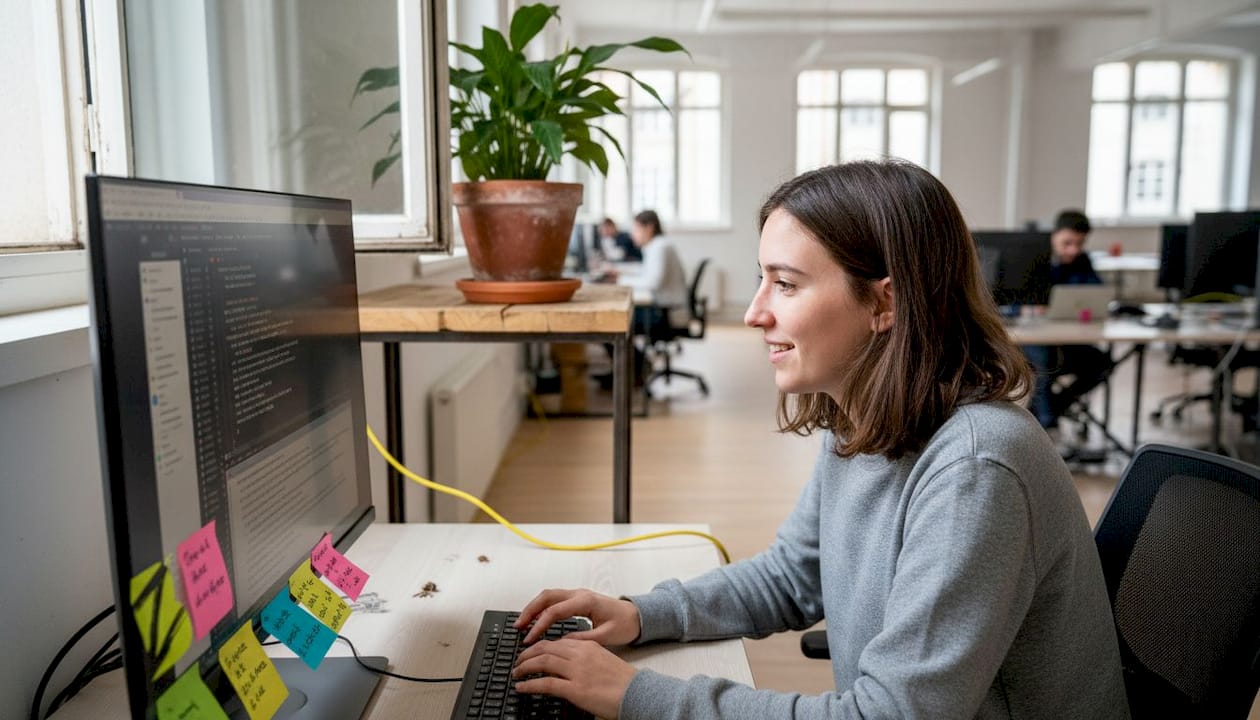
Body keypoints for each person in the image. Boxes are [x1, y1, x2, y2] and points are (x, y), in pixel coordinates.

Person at [507, 161, 1129, 719]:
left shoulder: (975, 468)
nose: (754, 312)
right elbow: (790, 577)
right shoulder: (862, 417)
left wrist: (636, 695)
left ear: (885, 302)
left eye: (786, 284)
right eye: (762, 279)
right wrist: (642, 614)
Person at [1023, 209, 1115, 432]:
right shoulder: (1032, 258)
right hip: (1032, 341)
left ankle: (1054, 408)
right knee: (1043, 359)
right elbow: (1011, 296)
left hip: (1066, 339)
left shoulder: (1081, 261)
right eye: (1067, 243)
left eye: (1079, 243)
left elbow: (1095, 293)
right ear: (1053, 235)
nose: (1073, 250)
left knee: (1102, 364)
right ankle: (1045, 423)